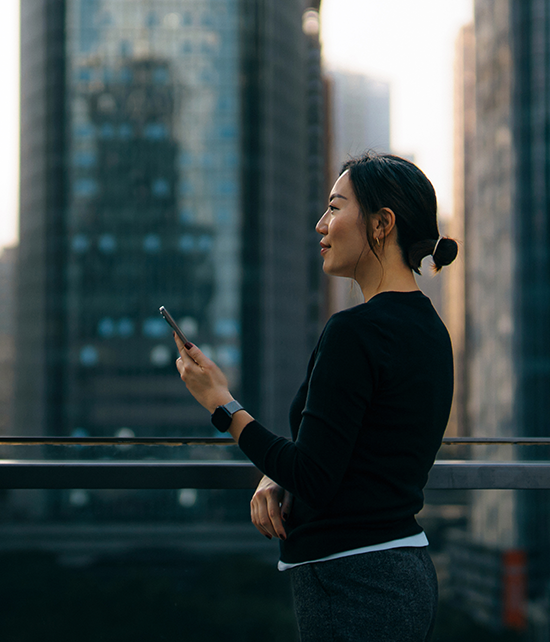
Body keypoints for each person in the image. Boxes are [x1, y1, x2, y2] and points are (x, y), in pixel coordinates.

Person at [173, 151, 459, 641]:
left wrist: (222, 404)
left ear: (381, 223)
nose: (320, 224)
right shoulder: (430, 328)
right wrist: (277, 475)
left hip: (353, 583)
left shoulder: (355, 332)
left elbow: (316, 475)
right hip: (400, 571)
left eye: (334, 207)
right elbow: (352, 455)